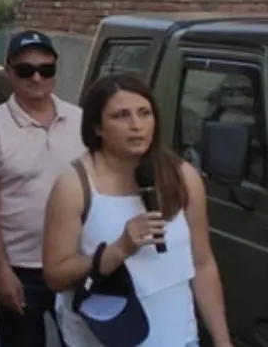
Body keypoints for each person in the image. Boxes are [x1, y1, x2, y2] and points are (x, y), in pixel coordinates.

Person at [42, 75, 232, 347]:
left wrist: (222, 340)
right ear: (97, 126)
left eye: (144, 113)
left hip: (179, 337)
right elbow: (55, 274)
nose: (136, 126)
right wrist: (117, 251)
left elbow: (202, 264)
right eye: (121, 116)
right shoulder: (74, 185)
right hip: (105, 337)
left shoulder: (182, 176)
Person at [0, 30, 85, 346]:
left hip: (76, 263)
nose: (37, 77)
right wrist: (1, 270)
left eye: (46, 69)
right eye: (26, 70)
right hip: (20, 269)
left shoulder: (80, 120)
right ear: (8, 71)